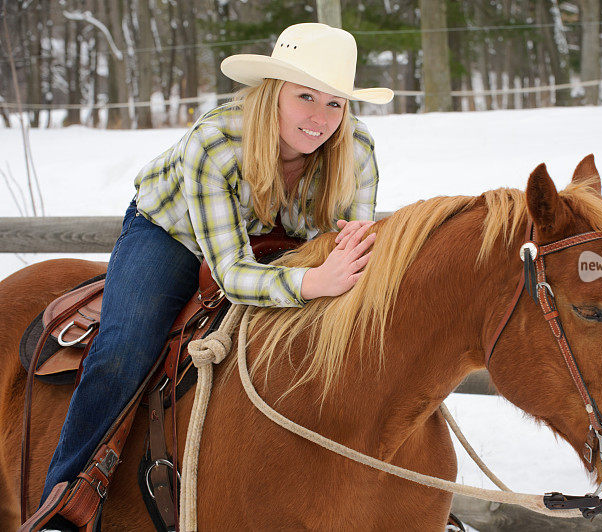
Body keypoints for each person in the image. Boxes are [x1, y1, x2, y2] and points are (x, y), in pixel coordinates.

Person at [35, 22, 393, 523]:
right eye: (306, 96)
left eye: (335, 103)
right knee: (124, 350)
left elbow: (351, 247)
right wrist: (313, 281)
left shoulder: (357, 150)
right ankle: (66, 500)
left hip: (279, 241)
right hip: (175, 233)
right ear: (273, 93)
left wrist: (335, 274)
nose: (320, 117)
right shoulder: (216, 142)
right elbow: (229, 272)